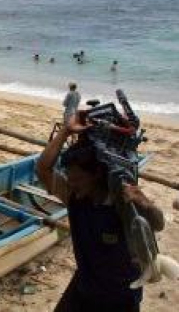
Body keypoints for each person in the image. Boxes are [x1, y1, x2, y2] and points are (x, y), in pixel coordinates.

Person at [36, 115, 164, 312]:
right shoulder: (74, 196)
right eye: (68, 178)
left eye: (76, 179)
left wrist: (145, 202)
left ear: (96, 174)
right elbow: (43, 169)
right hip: (84, 286)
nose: (70, 184)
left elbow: (157, 224)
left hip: (120, 296)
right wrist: (66, 131)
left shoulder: (122, 202)